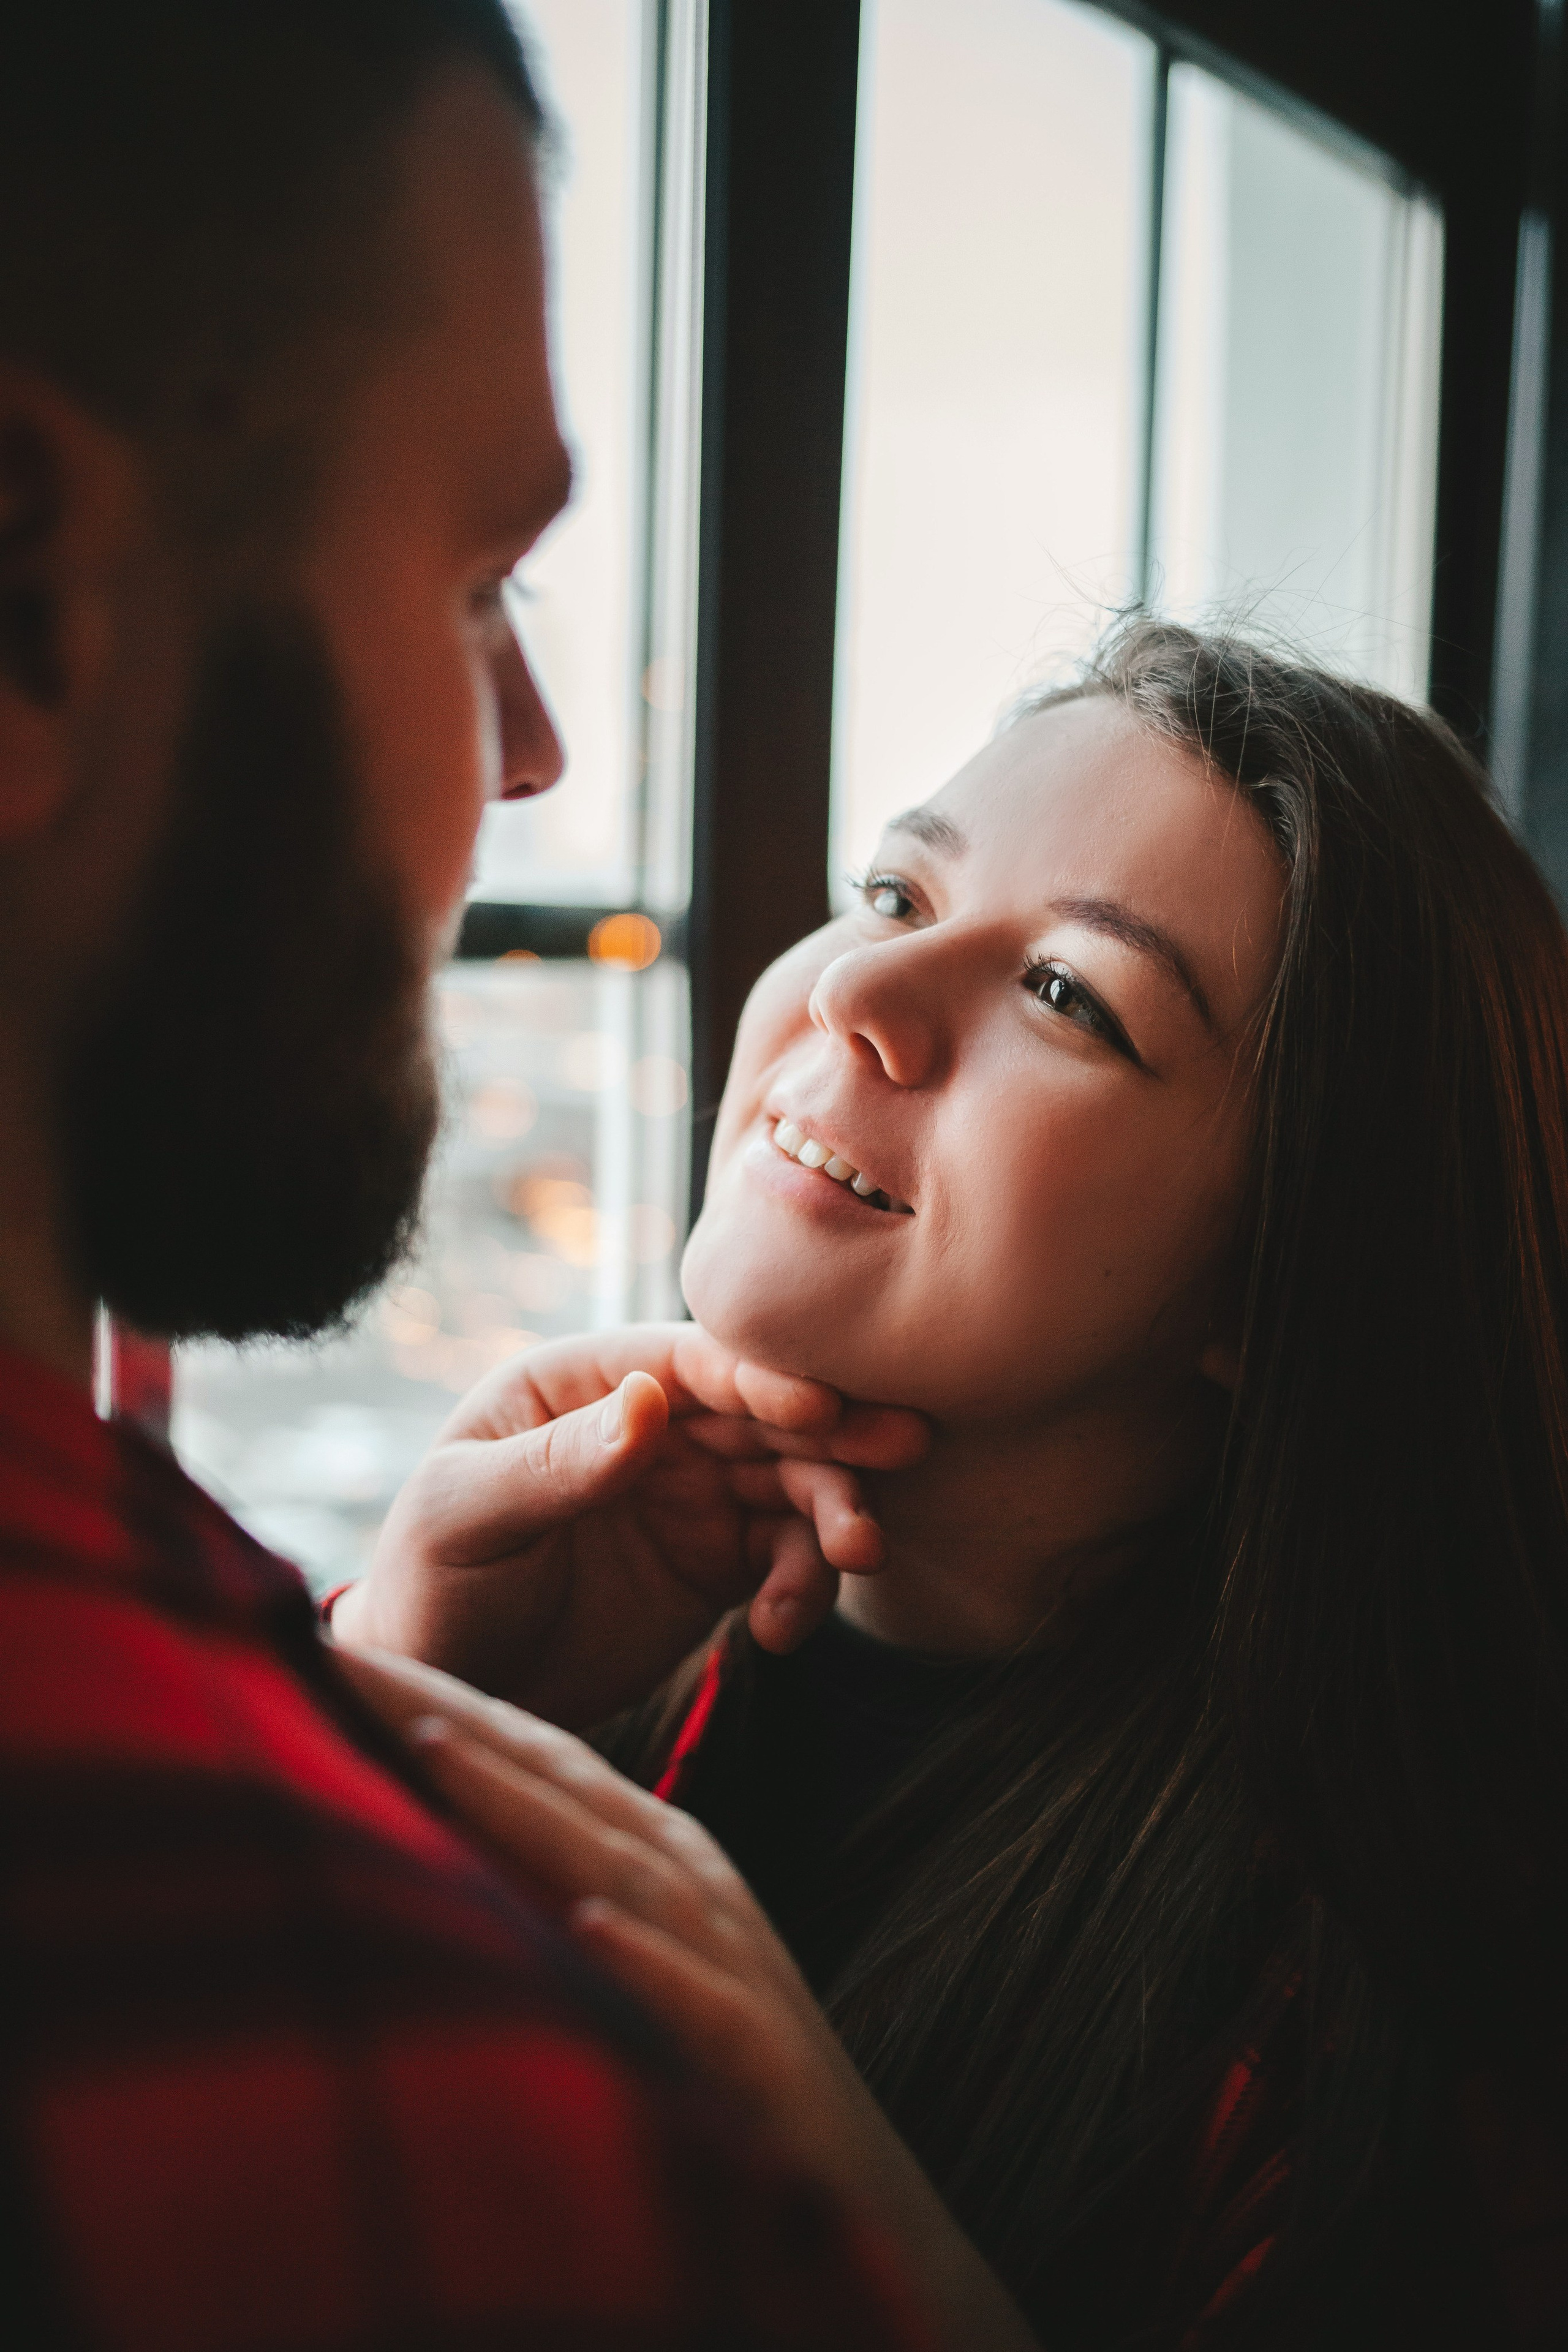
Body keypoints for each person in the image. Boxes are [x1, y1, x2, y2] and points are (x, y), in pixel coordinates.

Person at [0, 4, 977, 2344]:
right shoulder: (433, 2127)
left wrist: (372, 1710)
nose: (535, 752)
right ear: (25, 607)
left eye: (1082, 1002)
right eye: (474, 588)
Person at [339, 622, 1568, 2347]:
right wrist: (395, 1703)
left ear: (1276, 1276)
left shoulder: (1402, 2029)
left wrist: (877, 2269)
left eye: (1069, 995)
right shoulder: (541, 1623)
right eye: (900, 896)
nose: (854, 989)